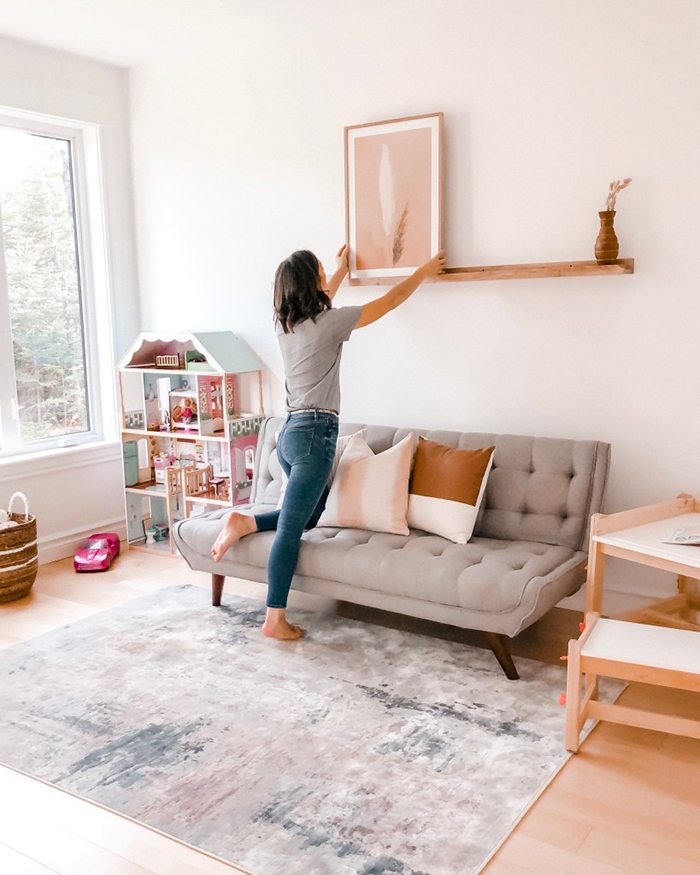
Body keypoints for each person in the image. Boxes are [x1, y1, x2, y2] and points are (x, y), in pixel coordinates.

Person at [211, 244, 445, 640]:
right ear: (312, 284)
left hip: (289, 437)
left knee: (311, 516)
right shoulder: (330, 322)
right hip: (315, 437)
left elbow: (323, 300)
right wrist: (423, 271)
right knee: (291, 530)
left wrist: (338, 270)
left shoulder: (285, 325)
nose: (325, 276)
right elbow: (388, 302)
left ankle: (244, 521)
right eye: (320, 271)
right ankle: (274, 618)